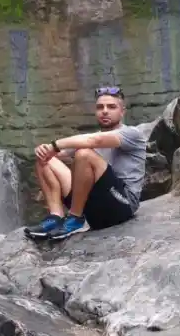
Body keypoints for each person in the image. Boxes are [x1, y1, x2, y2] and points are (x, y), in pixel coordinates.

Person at [24, 86, 147, 241]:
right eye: (100, 107)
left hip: (121, 205)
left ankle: (75, 217)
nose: (105, 111)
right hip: (93, 206)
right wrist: (44, 149)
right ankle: (56, 217)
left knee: (83, 154)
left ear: (122, 112)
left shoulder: (132, 134)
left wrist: (54, 145)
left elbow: (94, 141)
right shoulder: (91, 138)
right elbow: (59, 152)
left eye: (111, 107)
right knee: (45, 159)